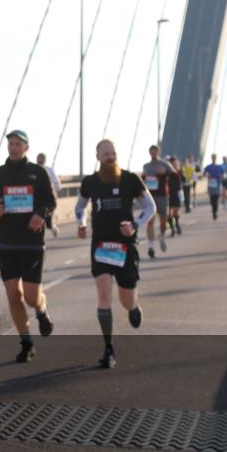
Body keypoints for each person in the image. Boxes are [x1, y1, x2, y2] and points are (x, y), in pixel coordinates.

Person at [75, 139, 156, 369]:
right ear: (98, 156)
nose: (111, 157)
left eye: (113, 153)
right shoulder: (90, 182)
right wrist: (81, 223)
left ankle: (133, 307)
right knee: (103, 294)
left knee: (126, 299)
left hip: (125, 245)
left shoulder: (131, 179)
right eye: (106, 153)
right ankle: (109, 348)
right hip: (101, 245)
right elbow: (80, 206)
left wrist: (135, 225)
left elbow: (150, 207)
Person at [0, 131, 58, 362]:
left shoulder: (38, 173)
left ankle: (41, 310)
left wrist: (40, 214)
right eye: (10, 144)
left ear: (26, 147)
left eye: (17, 144)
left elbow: (50, 201)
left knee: (31, 296)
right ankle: (26, 342)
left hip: (31, 242)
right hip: (5, 242)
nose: (13, 148)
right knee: (13, 294)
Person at [142, 146, 174, 258]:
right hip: (150, 196)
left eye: (155, 151)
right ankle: (151, 247)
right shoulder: (146, 166)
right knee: (150, 221)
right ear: (149, 153)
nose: (153, 153)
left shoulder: (165, 164)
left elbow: (175, 175)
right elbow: (143, 179)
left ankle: (162, 236)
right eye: (151, 152)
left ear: (158, 152)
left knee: (163, 221)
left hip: (163, 196)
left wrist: (165, 173)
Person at [36, 152, 63, 238]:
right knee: (37, 219)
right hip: (36, 200)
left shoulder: (50, 170)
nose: (40, 160)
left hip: (48, 200)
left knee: (48, 223)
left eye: (41, 159)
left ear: (44, 160)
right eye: (39, 158)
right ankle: (39, 240)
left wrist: (53, 191)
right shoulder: (32, 170)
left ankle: (53, 228)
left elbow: (58, 185)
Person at [166, 155, 184, 235]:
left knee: (176, 212)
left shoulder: (179, 171)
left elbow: (183, 179)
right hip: (168, 194)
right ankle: (172, 228)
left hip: (177, 193)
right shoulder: (167, 172)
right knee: (168, 213)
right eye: (171, 162)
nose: (173, 164)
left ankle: (177, 224)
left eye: (174, 162)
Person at [203, 154, 223, 220]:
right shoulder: (208, 166)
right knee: (212, 200)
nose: (213, 158)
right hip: (211, 184)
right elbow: (204, 174)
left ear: (216, 158)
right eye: (213, 157)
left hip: (217, 184)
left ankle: (215, 212)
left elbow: (223, 175)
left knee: (216, 199)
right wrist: (207, 175)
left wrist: (221, 178)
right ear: (211, 158)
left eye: (214, 157)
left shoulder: (219, 166)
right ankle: (213, 211)